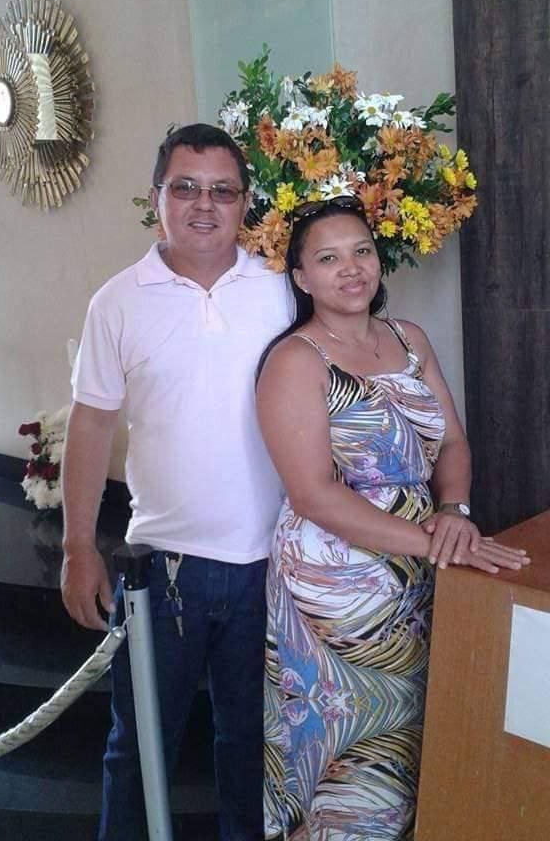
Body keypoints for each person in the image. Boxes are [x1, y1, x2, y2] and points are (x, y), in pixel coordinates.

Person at [255, 199, 530, 841]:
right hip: (336, 589)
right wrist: (440, 543)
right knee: (350, 758)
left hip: (424, 568)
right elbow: (313, 494)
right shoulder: (294, 360)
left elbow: (452, 442)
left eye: (362, 251)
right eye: (328, 258)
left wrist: (454, 511)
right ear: (301, 277)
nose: (351, 269)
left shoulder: (409, 338)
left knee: (421, 740)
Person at [61, 123, 292, 841]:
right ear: (157, 195)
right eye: (185, 187)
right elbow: (90, 425)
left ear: (245, 202)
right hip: (164, 573)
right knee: (138, 751)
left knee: (251, 748)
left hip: (270, 565)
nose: (204, 204)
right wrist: (77, 547)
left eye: (223, 190)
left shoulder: (283, 290)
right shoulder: (117, 302)